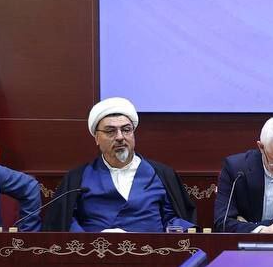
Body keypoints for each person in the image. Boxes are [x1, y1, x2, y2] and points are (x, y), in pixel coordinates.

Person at [43, 98, 196, 232]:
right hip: (95, 253)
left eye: (126, 130)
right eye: (110, 131)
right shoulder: (77, 178)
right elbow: (64, 224)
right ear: (96, 138)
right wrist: (90, 242)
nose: (120, 137)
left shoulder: (162, 174)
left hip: (150, 253)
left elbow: (174, 220)